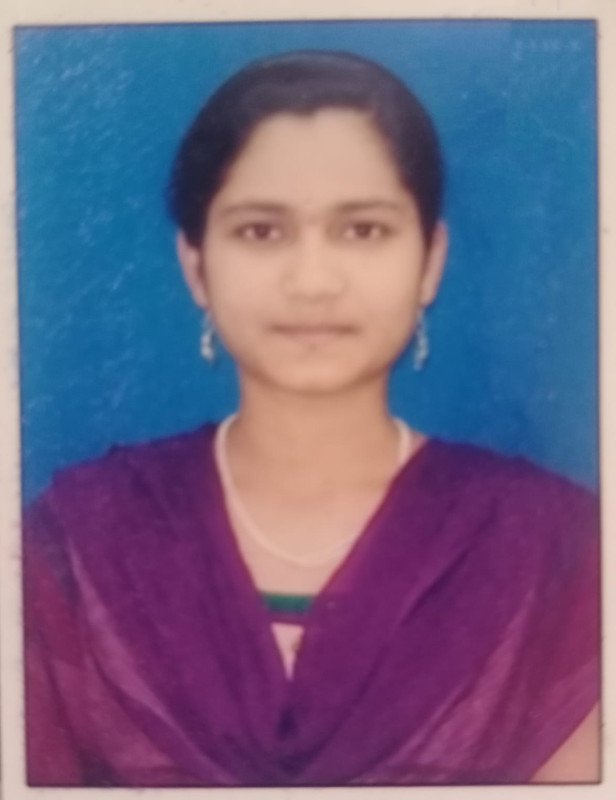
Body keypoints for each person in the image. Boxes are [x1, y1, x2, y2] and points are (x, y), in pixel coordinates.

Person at [23, 50, 599, 787]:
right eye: (262, 232)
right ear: (197, 267)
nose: (313, 281)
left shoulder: (553, 551)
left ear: (430, 261)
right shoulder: (78, 544)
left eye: (363, 230)